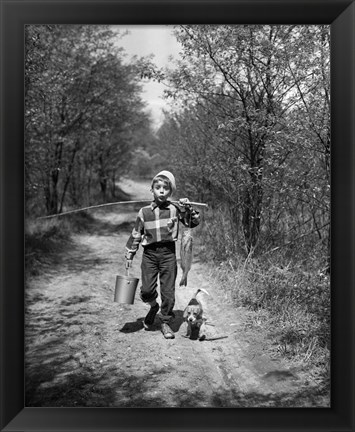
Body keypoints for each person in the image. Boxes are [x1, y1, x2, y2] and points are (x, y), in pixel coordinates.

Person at [125, 170, 200, 339]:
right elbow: (136, 233)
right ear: (151, 189)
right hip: (149, 255)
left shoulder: (175, 209)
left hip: (168, 254)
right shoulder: (144, 212)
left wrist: (188, 208)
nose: (161, 191)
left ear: (170, 192)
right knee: (146, 290)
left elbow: (193, 222)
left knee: (168, 292)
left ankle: (165, 321)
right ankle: (153, 307)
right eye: (157, 187)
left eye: (165, 188)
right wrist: (130, 254)